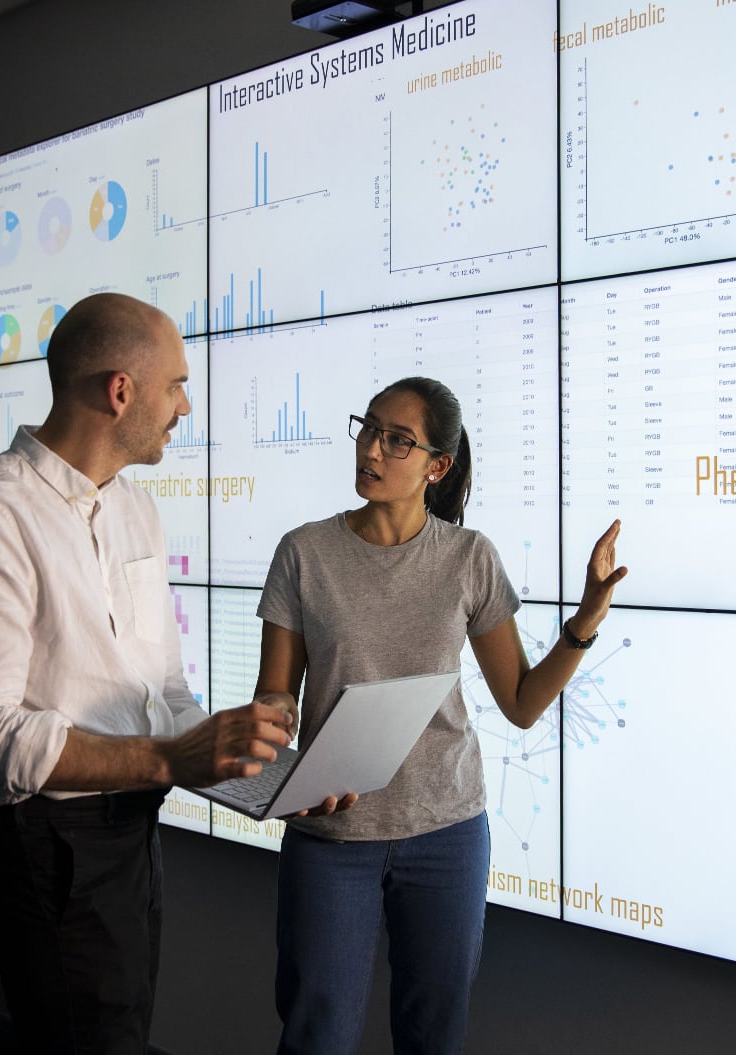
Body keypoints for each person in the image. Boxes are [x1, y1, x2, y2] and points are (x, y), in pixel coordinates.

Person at [0, 292, 294, 1054]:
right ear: (120, 390)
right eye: (176, 383)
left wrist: (261, 774)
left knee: (116, 1036)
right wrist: (163, 759)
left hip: (128, 833)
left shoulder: (134, 510)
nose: (185, 405)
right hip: (43, 844)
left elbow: (160, 693)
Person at [251, 375, 628, 1055]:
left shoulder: (468, 557)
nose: (372, 448)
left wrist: (583, 622)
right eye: (368, 429)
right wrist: (273, 722)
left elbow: (519, 703)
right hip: (330, 830)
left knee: (433, 1037)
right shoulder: (303, 552)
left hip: (447, 832)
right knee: (317, 1034)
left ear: (436, 465)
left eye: (397, 440)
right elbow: (275, 693)